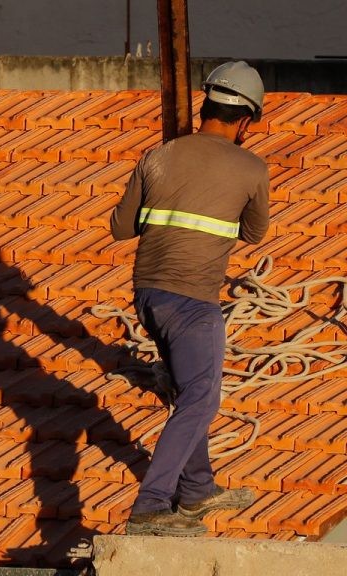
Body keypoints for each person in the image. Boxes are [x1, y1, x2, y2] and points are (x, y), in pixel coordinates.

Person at [110, 61, 270, 536]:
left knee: (186, 388)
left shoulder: (157, 155)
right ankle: (152, 503)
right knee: (201, 397)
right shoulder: (251, 167)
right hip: (193, 301)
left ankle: (197, 489)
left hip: (147, 296)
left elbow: (120, 228)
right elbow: (255, 232)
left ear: (205, 106)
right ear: (244, 121)